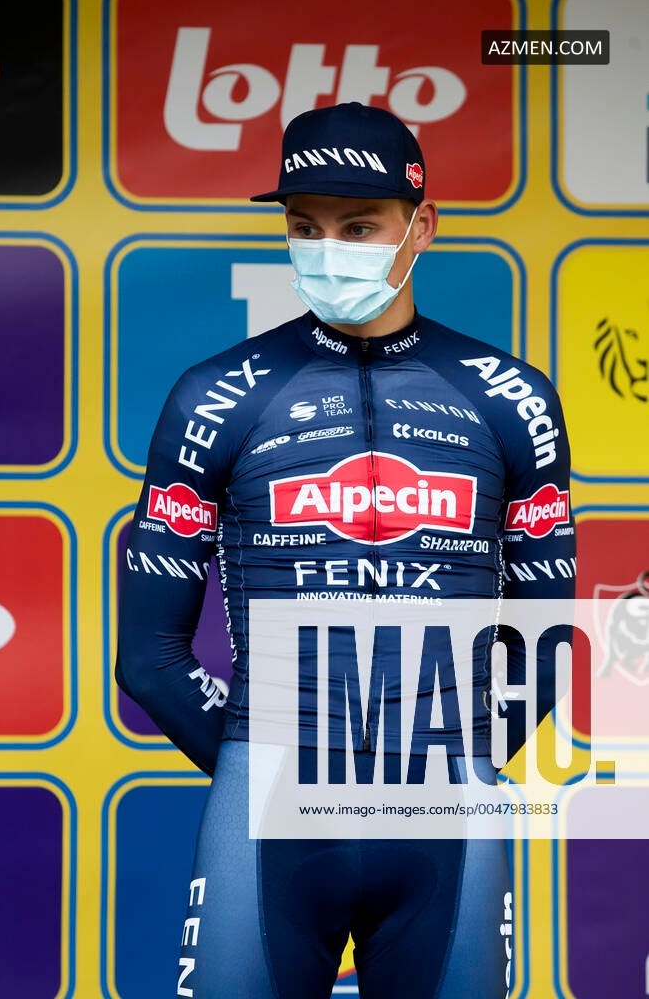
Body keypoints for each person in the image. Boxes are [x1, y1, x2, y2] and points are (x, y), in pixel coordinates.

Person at [116, 102, 576, 998]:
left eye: (358, 226)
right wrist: (263, 761)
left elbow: (546, 644)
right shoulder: (216, 395)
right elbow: (149, 656)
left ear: (420, 226)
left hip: (445, 807)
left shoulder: (512, 399)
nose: (328, 249)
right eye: (305, 226)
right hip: (269, 801)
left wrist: (454, 765)